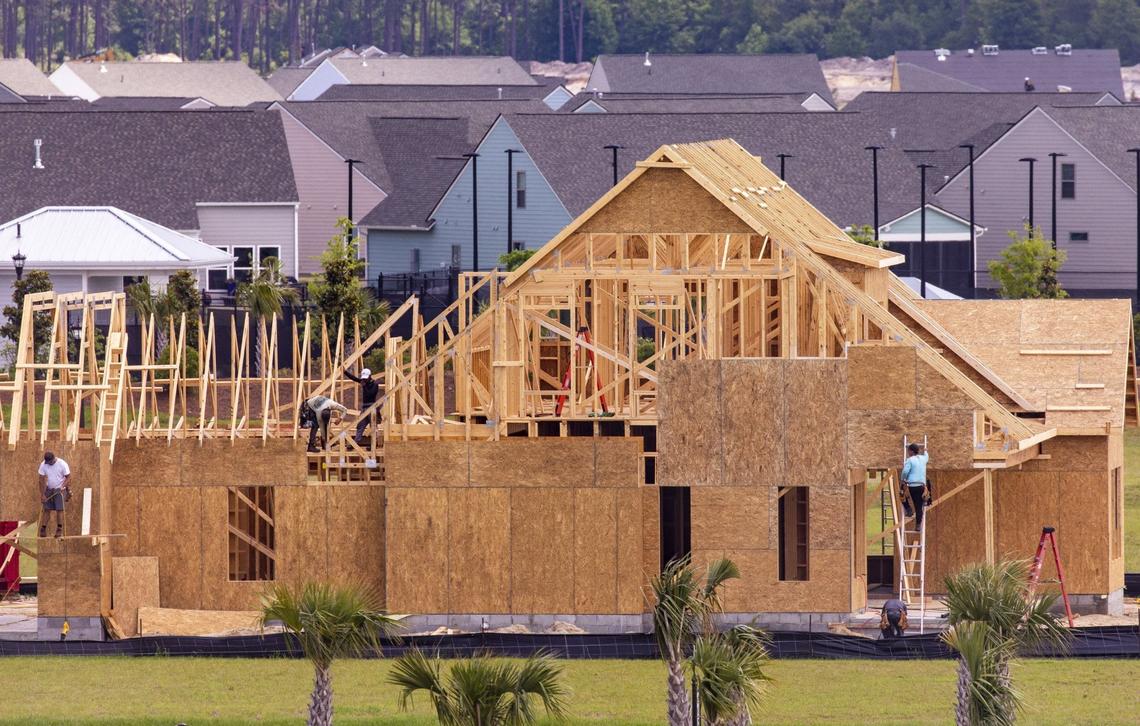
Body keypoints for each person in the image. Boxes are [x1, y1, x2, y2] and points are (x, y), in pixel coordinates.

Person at [38, 451, 71, 538]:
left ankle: (59, 529)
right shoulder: (44, 464)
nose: (48, 464)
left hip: (59, 490)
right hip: (49, 489)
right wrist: (42, 494)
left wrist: (63, 486)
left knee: (59, 510)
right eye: (47, 463)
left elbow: (68, 477)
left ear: (53, 459)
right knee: (46, 509)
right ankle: (43, 529)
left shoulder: (62, 464)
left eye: (49, 462)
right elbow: (41, 480)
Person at [344, 367, 380, 442]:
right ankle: (355, 442)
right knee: (360, 425)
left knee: (373, 426)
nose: (364, 380)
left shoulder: (375, 384)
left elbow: (370, 394)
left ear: (370, 376)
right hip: (364, 408)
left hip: (372, 407)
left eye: (365, 378)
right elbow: (354, 378)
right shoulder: (363, 381)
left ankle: (374, 444)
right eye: (363, 378)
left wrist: (364, 387)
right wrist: (345, 372)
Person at [901, 443, 931, 529]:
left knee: (901, 494)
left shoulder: (910, 460)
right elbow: (927, 456)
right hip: (921, 486)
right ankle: (918, 525)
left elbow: (905, 472)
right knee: (919, 506)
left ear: (911, 451)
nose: (907, 453)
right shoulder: (923, 459)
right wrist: (925, 451)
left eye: (908, 451)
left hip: (912, 486)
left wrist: (903, 480)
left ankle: (908, 509)